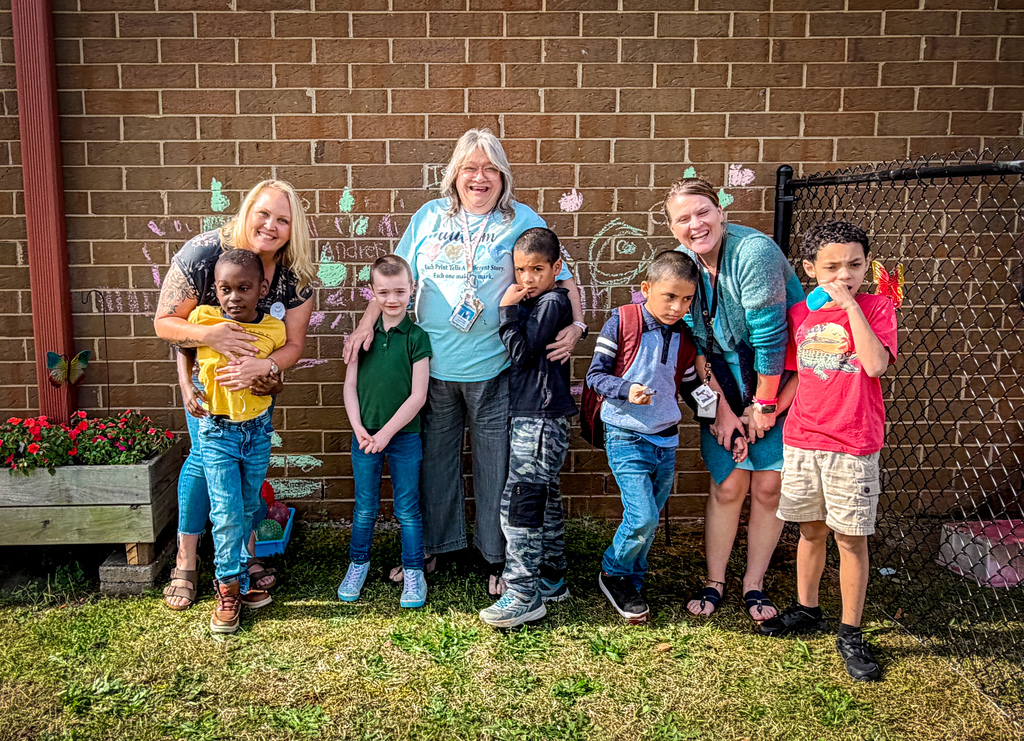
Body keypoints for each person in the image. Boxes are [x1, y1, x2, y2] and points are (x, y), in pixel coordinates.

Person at [343, 129, 586, 599]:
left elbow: (566, 279)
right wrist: (365, 324)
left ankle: (495, 556)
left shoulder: (521, 219)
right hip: (431, 369)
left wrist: (576, 327)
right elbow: (395, 277)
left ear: (503, 176)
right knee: (435, 463)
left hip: (495, 369)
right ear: (455, 173)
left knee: (495, 467)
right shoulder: (429, 217)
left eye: (490, 168)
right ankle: (435, 546)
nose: (480, 177)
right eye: (471, 168)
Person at [157, 179, 316, 611]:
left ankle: (241, 563)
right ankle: (187, 561)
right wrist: (211, 336)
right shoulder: (203, 254)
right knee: (201, 460)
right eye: (263, 213)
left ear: (292, 228)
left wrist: (264, 368)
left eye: (283, 219)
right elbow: (166, 323)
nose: (271, 225)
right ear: (246, 211)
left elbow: (293, 346)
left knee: (245, 486)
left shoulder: (295, 274)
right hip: (208, 389)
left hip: (255, 394)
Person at [757, 221, 897, 683]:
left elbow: (875, 365)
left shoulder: (877, 307)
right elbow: (797, 376)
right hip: (803, 440)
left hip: (852, 443)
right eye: (832, 266)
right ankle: (807, 608)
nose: (844, 275)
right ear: (810, 269)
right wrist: (767, 412)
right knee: (810, 530)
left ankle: (851, 631)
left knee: (850, 537)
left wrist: (851, 305)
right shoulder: (802, 315)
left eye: (855, 265)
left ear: (867, 268)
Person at [666, 177, 805, 624]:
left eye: (702, 212)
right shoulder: (683, 265)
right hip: (723, 384)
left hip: (780, 379)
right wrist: (723, 413)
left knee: (768, 486)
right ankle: (715, 581)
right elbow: (696, 346)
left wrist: (765, 407)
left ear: (721, 211)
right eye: (683, 219)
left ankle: (754, 584)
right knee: (728, 484)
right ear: (673, 229)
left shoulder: (754, 253)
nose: (696, 224)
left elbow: (770, 338)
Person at [586, 251, 703, 623]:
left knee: (649, 518)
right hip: (625, 434)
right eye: (670, 296)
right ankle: (613, 573)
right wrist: (625, 389)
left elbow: (688, 385)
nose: (678, 307)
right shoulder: (622, 321)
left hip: (666, 440)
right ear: (647, 288)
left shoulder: (685, 337)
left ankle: (633, 579)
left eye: (687, 299)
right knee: (643, 516)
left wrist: (718, 415)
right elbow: (595, 375)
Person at [479, 228, 578, 629]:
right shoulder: (542, 300)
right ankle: (552, 575)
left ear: (557, 268)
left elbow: (521, 354)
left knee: (520, 501)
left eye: (538, 269)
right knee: (544, 495)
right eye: (521, 270)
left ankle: (523, 593)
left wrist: (506, 311)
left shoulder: (553, 300)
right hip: (537, 412)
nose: (527, 279)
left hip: (540, 415)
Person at [187, 249, 286, 633]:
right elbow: (184, 349)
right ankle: (227, 587)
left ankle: (242, 581)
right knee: (226, 512)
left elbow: (277, 380)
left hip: (257, 431)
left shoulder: (273, 331)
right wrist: (186, 386)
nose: (234, 297)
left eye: (244, 288)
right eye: (225, 289)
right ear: (215, 289)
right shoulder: (204, 319)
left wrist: (273, 381)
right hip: (217, 432)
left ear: (261, 288)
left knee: (246, 508)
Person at [338, 255, 432, 609]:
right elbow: (350, 386)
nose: (392, 300)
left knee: (407, 508)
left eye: (399, 292)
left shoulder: (418, 337)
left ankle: (413, 570)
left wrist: (386, 435)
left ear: (412, 290)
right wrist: (360, 428)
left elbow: (418, 395)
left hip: (404, 437)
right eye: (384, 292)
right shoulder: (362, 338)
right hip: (364, 437)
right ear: (372, 293)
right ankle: (357, 564)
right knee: (365, 508)